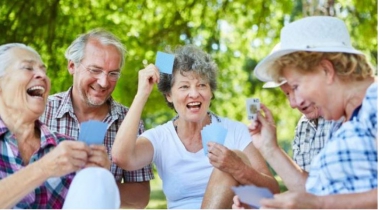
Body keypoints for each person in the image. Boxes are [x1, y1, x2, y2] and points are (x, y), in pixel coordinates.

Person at [112, 45, 280, 209]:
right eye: (184, 86)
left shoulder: (236, 131)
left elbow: (273, 191)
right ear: (169, 95)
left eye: (202, 85)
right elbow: (121, 157)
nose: (194, 93)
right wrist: (142, 93)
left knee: (234, 157)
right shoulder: (160, 137)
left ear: (211, 92)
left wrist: (239, 168)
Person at [235, 16, 377, 208]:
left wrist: (320, 204)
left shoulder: (375, 100)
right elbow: (312, 195)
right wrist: (270, 149)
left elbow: (319, 202)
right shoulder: (341, 122)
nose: (295, 102)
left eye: (296, 86)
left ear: (326, 70)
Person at [39, 29, 154, 208]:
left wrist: (101, 181)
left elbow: (141, 197)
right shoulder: (42, 112)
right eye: (95, 70)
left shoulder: (129, 122)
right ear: (72, 66)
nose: (103, 82)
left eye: (113, 73)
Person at [0, 43, 118, 208]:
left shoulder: (68, 150)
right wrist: (43, 168)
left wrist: (97, 178)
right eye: (28, 68)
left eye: (44, 70)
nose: (41, 74)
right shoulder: (56, 158)